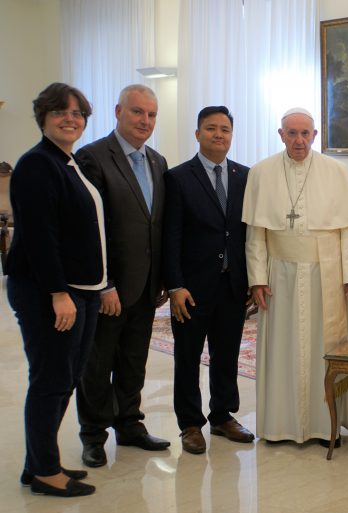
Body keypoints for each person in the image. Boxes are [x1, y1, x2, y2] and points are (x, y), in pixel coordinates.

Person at [5, 83, 104, 496]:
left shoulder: (66, 162)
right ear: (43, 116)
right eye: (61, 111)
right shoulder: (36, 165)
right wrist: (58, 293)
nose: (70, 119)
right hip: (50, 292)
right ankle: (46, 470)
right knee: (50, 379)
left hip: (81, 289)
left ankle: (39, 462)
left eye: (78, 113)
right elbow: (41, 237)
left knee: (65, 378)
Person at [242, 107, 348, 446]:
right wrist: (257, 279)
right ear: (281, 135)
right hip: (280, 277)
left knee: (325, 348)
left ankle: (327, 426)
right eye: (291, 133)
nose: (299, 140)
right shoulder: (261, 173)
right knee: (284, 350)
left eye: (304, 133)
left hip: (328, 276)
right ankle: (281, 425)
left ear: (315, 136)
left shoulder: (336, 171)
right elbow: (256, 235)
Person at [75, 84, 170, 467]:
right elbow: (89, 229)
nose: (144, 121)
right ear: (118, 111)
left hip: (146, 286)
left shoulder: (158, 162)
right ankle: (94, 435)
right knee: (98, 364)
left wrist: (163, 276)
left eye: (151, 115)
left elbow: (156, 225)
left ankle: (129, 424)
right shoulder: (93, 157)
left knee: (134, 361)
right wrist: (105, 284)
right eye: (137, 112)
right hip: (109, 288)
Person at [163, 106, 254, 454]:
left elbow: (247, 232)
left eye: (225, 129)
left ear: (232, 135)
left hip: (232, 284)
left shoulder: (244, 176)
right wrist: (174, 285)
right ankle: (189, 424)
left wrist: (250, 278)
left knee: (226, 353)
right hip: (192, 287)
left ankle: (222, 416)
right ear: (198, 133)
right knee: (187, 356)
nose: (219, 134)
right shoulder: (178, 177)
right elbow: (170, 236)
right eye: (211, 128)